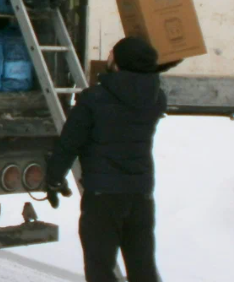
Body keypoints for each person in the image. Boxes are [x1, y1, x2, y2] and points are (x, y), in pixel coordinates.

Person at [44, 37, 171, 282]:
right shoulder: (156, 98)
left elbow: (69, 144)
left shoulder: (93, 99)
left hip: (103, 199)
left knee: (100, 268)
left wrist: (53, 179)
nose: (109, 57)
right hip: (140, 196)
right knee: (142, 267)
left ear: (120, 61)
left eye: (113, 53)